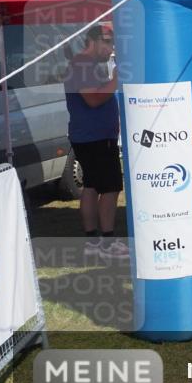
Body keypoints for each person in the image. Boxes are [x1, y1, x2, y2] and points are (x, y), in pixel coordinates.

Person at [63, 24, 128, 260]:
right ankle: (108, 241)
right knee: (110, 188)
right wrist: (116, 81)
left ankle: (92, 240)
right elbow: (92, 99)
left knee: (91, 186)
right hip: (95, 138)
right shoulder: (82, 65)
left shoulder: (86, 65)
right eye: (109, 42)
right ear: (94, 40)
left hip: (91, 136)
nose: (111, 48)